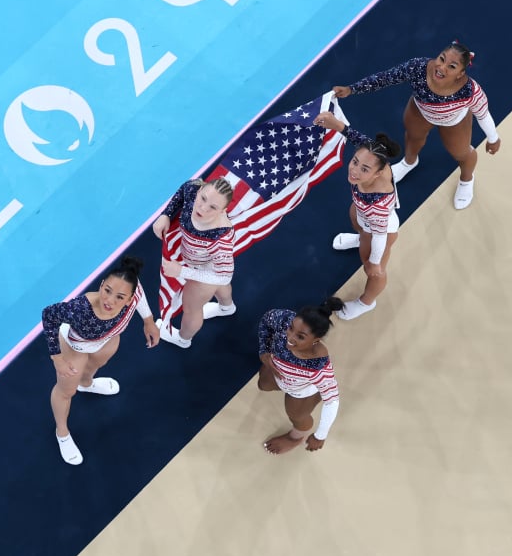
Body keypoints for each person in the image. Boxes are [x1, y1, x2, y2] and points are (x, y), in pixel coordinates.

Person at [332, 41, 501, 210]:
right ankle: (409, 162)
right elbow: (385, 78)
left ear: (460, 73)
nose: (441, 68)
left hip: (453, 121)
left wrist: (493, 138)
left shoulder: (469, 91)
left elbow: (483, 114)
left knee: (462, 153)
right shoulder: (418, 67)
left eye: (452, 66)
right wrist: (352, 89)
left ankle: (466, 180)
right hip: (420, 110)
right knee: (413, 137)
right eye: (441, 59)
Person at [40, 256, 160, 465]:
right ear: (102, 284)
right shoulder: (80, 309)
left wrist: (148, 321)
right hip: (75, 346)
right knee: (66, 391)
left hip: (107, 340)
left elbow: (139, 292)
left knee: (96, 366)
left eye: (120, 297)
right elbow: (48, 315)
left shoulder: (133, 288)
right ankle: (62, 432)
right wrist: (57, 358)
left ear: (130, 298)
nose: (110, 301)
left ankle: (87, 384)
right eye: (107, 291)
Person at [313, 112, 401, 320]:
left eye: (364, 169)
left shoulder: (377, 204)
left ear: (378, 173)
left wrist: (375, 261)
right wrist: (338, 125)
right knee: (354, 214)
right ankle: (359, 237)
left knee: (373, 271)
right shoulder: (376, 155)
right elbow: (361, 141)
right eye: (354, 162)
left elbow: (379, 236)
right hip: (364, 215)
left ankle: (366, 302)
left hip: (381, 230)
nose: (354, 170)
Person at [151, 178, 236, 348]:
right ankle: (227, 307)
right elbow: (184, 188)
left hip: (208, 270)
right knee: (214, 291)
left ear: (222, 211)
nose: (203, 208)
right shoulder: (192, 191)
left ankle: (183, 339)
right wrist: (166, 214)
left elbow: (224, 276)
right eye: (203, 198)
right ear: (199, 191)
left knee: (191, 308)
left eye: (213, 207)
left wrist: (182, 271)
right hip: (198, 259)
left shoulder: (220, 240)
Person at [257, 298, 345, 454]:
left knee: (297, 416)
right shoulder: (284, 319)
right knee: (263, 385)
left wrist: (320, 436)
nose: (290, 337)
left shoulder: (317, 365)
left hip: (301, 390)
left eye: (301, 336)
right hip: (277, 372)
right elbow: (266, 320)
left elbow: (332, 400)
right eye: (291, 328)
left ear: (315, 340)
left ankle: (296, 437)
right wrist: (264, 350)